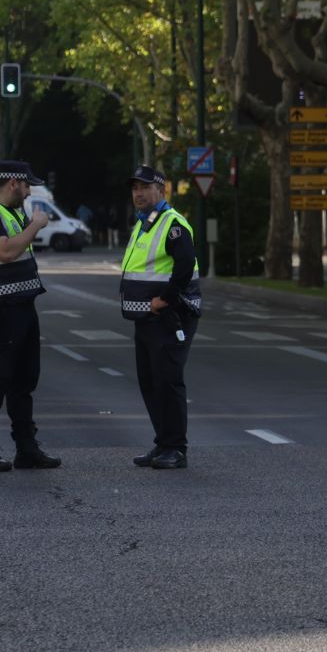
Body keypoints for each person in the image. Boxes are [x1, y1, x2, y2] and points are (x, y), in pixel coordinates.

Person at [0, 160, 61, 472]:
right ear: (12, 183)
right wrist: (36, 225)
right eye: (26, 184)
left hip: (22, 304)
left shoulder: (10, 212)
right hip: (1, 308)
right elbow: (4, 251)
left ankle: (26, 448)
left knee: (24, 379)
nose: (29, 191)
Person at [120, 166, 203, 469]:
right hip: (147, 317)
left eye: (144, 187)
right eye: (135, 188)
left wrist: (165, 299)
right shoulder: (145, 223)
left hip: (170, 316)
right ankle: (162, 442)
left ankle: (175, 448)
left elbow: (184, 266)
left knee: (167, 380)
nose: (138, 193)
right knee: (150, 381)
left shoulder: (173, 224)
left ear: (161, 190)